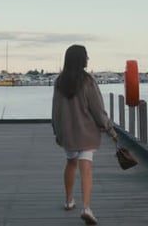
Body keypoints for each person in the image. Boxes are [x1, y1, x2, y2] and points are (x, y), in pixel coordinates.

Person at [51, 44, 118, 225]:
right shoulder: (88, 81)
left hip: (67, 133)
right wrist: (110, 129)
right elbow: (97, 109)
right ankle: (87, 208)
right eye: (86, 56)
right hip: (87, 131)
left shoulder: (59, 81)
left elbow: (55, 110)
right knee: (86, 168)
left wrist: (57, 131)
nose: (88, 59)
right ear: (81, 59)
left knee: (71, 163)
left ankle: (68, 200)